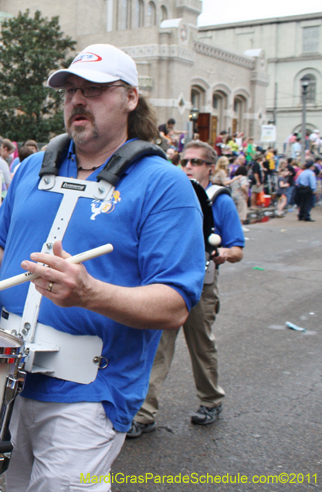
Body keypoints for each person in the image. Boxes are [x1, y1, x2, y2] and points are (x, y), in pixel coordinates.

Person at [0, 44, 204, 492]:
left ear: (131, 98)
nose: (78, 100)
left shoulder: (165, 185)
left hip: (91, 391)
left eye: (94, 90)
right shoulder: (30, 171)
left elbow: (175, 304)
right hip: (8, 376)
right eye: (70, 91)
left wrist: (89, 292)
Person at [128, 141, 244, 438]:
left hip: (202, 284)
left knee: (201, 345)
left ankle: (211, 400)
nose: (188, 166)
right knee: (158, 348)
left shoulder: (220, 200)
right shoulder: (173, 192)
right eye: (184, 160)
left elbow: (237, 248)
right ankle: (144, 413)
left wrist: (224, 253)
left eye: (195, 161)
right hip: (166, 282)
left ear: (209, 167)